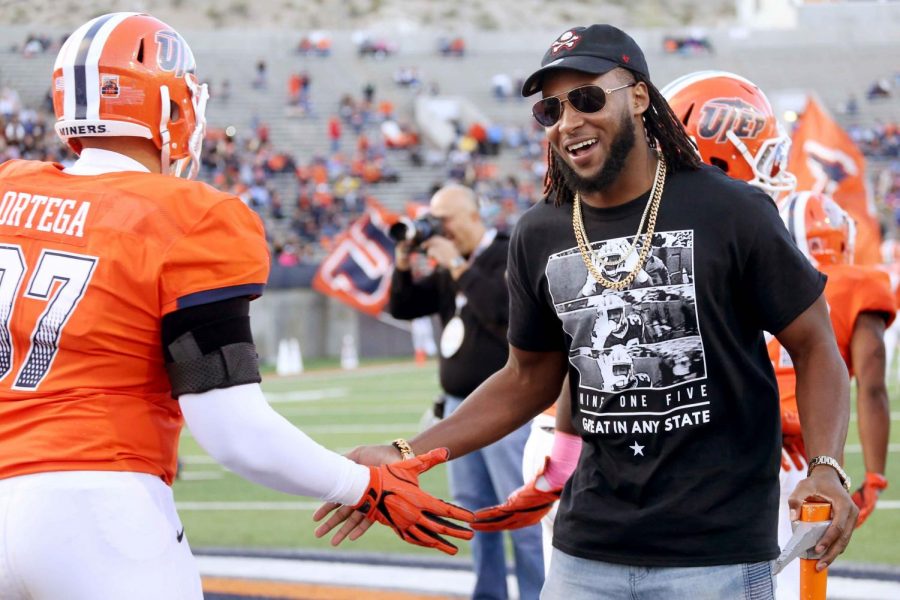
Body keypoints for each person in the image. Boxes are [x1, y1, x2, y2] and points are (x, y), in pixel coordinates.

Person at [315, 25, 858, 599]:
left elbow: (816, 344)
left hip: (715, 552)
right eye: (550, 109)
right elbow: (527, 378)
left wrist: (826, 464)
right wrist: (407, 452)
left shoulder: (732, 210)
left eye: (588, 98)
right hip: (587, 551)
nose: (568, 120)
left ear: (640, 97)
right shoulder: (539, 231)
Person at [0, 13, 471, 600]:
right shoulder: (190, 215)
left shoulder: (9, 188)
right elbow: (233, 432)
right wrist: (363, 484)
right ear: (169, 107)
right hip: (100, 512)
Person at [661, 70, 894, 598]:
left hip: (681, 474)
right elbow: (868, 384)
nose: (774, 168)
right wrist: (864, 474)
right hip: (770, 464)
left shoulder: (698, 251)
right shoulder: (842, 284)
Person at [386, 183, 544, 600]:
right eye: (433, 219)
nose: (439, 228)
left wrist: (456, 263)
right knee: (473, 515)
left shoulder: (509, 252)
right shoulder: (447, 267)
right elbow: (403, 307)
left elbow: (501, 311)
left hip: (504, 412)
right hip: (457, 410)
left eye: (446, 219)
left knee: (520, 513)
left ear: (475, 216)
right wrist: (403, 264)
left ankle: (537, 594)